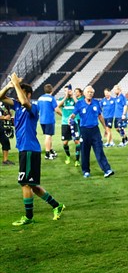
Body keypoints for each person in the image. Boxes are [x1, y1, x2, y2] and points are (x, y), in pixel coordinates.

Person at [0, 73, 65, 226]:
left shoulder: (32, 107)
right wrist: (9, 86)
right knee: (33, 185)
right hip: (25, 149)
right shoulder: (17, 105)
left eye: (19, 91)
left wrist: (16, 84)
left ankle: (28, 217)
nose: (17, 95)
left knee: (25, 183)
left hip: (29, 149)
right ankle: (57, 206)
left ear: (28, 94)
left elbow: (23, 101)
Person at [70, 86, 114, 178]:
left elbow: (100, 116)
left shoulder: (96, 103)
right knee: (85, 151)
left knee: (99, 150)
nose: (90, 94)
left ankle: (107, 169)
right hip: (84, 130)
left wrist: (105, 127)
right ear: (84, 93)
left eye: (91, 92)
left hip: (95, 130)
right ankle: (86, 171)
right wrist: (71, 118)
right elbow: (74, 114)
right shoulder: (79, 104)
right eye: (88, 92)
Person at [55, 84, 81, 166]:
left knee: (77, 141)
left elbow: (80, 105)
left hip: (74, 122)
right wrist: (63, 115)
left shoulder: (75, 99)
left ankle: (77, 160)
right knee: (65, 142)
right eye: (65, 91)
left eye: (68, 90)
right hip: (65, 123)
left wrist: (73, 96)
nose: (67, 92)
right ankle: (68, 156)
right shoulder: (62, 100)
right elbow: (56, 107)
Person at [37, 84, 59, 159]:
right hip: (49, 119)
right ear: (52, 90)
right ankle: (47, 153)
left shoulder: (40, 98)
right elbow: (56, 109)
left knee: (49, 136)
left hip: (42, 120)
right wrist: (62, 115)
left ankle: (51, 149)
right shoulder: (51, 98)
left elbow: (38, 108)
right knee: (48, 136)